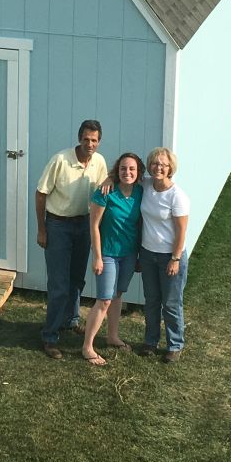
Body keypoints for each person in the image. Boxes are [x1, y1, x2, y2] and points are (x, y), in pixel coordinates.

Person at [36, 120, 107, 360]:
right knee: (59, 284)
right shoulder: (61, 160)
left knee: (77, 280)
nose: (90, 144)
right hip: (58, 225)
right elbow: (41, 193)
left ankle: (70, 321)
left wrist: (109, 181)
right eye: (86, 139)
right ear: (79, 138)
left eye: (94, 140)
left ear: (99, 141)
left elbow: (104, 189)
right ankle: (50, 336)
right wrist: (42, 229)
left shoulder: (99, 162)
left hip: (84, 225)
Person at [81, 152, 144, 366]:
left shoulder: (141, 192)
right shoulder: (105, 192)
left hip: (128, 254)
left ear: (138, 172)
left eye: (132, 169)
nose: (127, 172)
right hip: (107, 254)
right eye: (123, 168)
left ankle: (112, 336)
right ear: (117, 171)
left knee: (118, 295)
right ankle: (87, 346)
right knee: (104, 299)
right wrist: (97, 257)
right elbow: (94, 226)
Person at [139, 147, 190, 363]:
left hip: (170, 257)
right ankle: (151, 341)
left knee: (170, 303)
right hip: (148, 254)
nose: (158, 167)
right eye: (155, 163)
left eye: (163, 164)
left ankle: (175, 344)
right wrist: (107, 180)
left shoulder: (177, 196)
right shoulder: (147, 185)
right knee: (151, 301)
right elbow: (125, 173)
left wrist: (175, 259)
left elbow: (181, 232)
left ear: (170, 169)